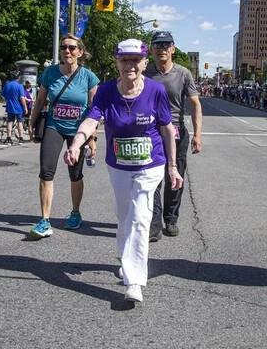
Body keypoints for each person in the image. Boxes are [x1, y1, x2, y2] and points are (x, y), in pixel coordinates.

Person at [64, 39, 182, 303]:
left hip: (151, 164)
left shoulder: (156, 90)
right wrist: (76, 144)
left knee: (140, 218)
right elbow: (92, 119)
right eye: (124, 60)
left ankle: (134, 281)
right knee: (124, 217)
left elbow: (166, 129)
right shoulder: (106, 91)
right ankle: (128, 259)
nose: (130, 65)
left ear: (144, 63)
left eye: (135, 60)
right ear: (117, 62)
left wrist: (173, 167)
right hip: (118, 165)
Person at [27, 34, 99, 237]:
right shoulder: (50, 73)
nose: (67, 51)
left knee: (75, 174)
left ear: (80, 52)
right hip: (54, 126)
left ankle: (75, 213)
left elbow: (94, 110)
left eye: (72, 48)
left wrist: (92, 138)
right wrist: (31, 122)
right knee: (46, 171)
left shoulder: (89, 77)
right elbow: (40, 101)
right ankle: (44, 220)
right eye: (63, 47)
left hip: (79, 130)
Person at [144, 30, 202, 241]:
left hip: (177, 132)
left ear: (173, 49)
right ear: (151, 50)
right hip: (150, 132)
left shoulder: (183, 73)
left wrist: (197, 135)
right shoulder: (145, 72)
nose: (162, 49)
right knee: (152, 178)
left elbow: (195, 104)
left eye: (166, 45)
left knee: (174, 178)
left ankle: (170, 219)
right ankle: (154, 223)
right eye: (157, 45)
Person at [1, 70, 27, 144]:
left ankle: (9, 138)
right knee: (20, 122)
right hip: (19, 108)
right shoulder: (19, 86)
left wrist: (7, 101)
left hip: (10, 107)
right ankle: (21, 138)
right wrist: (25, 107)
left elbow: (3, 96)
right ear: (18, 77)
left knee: (9, 122)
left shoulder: (7, 85)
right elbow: (22, 98)